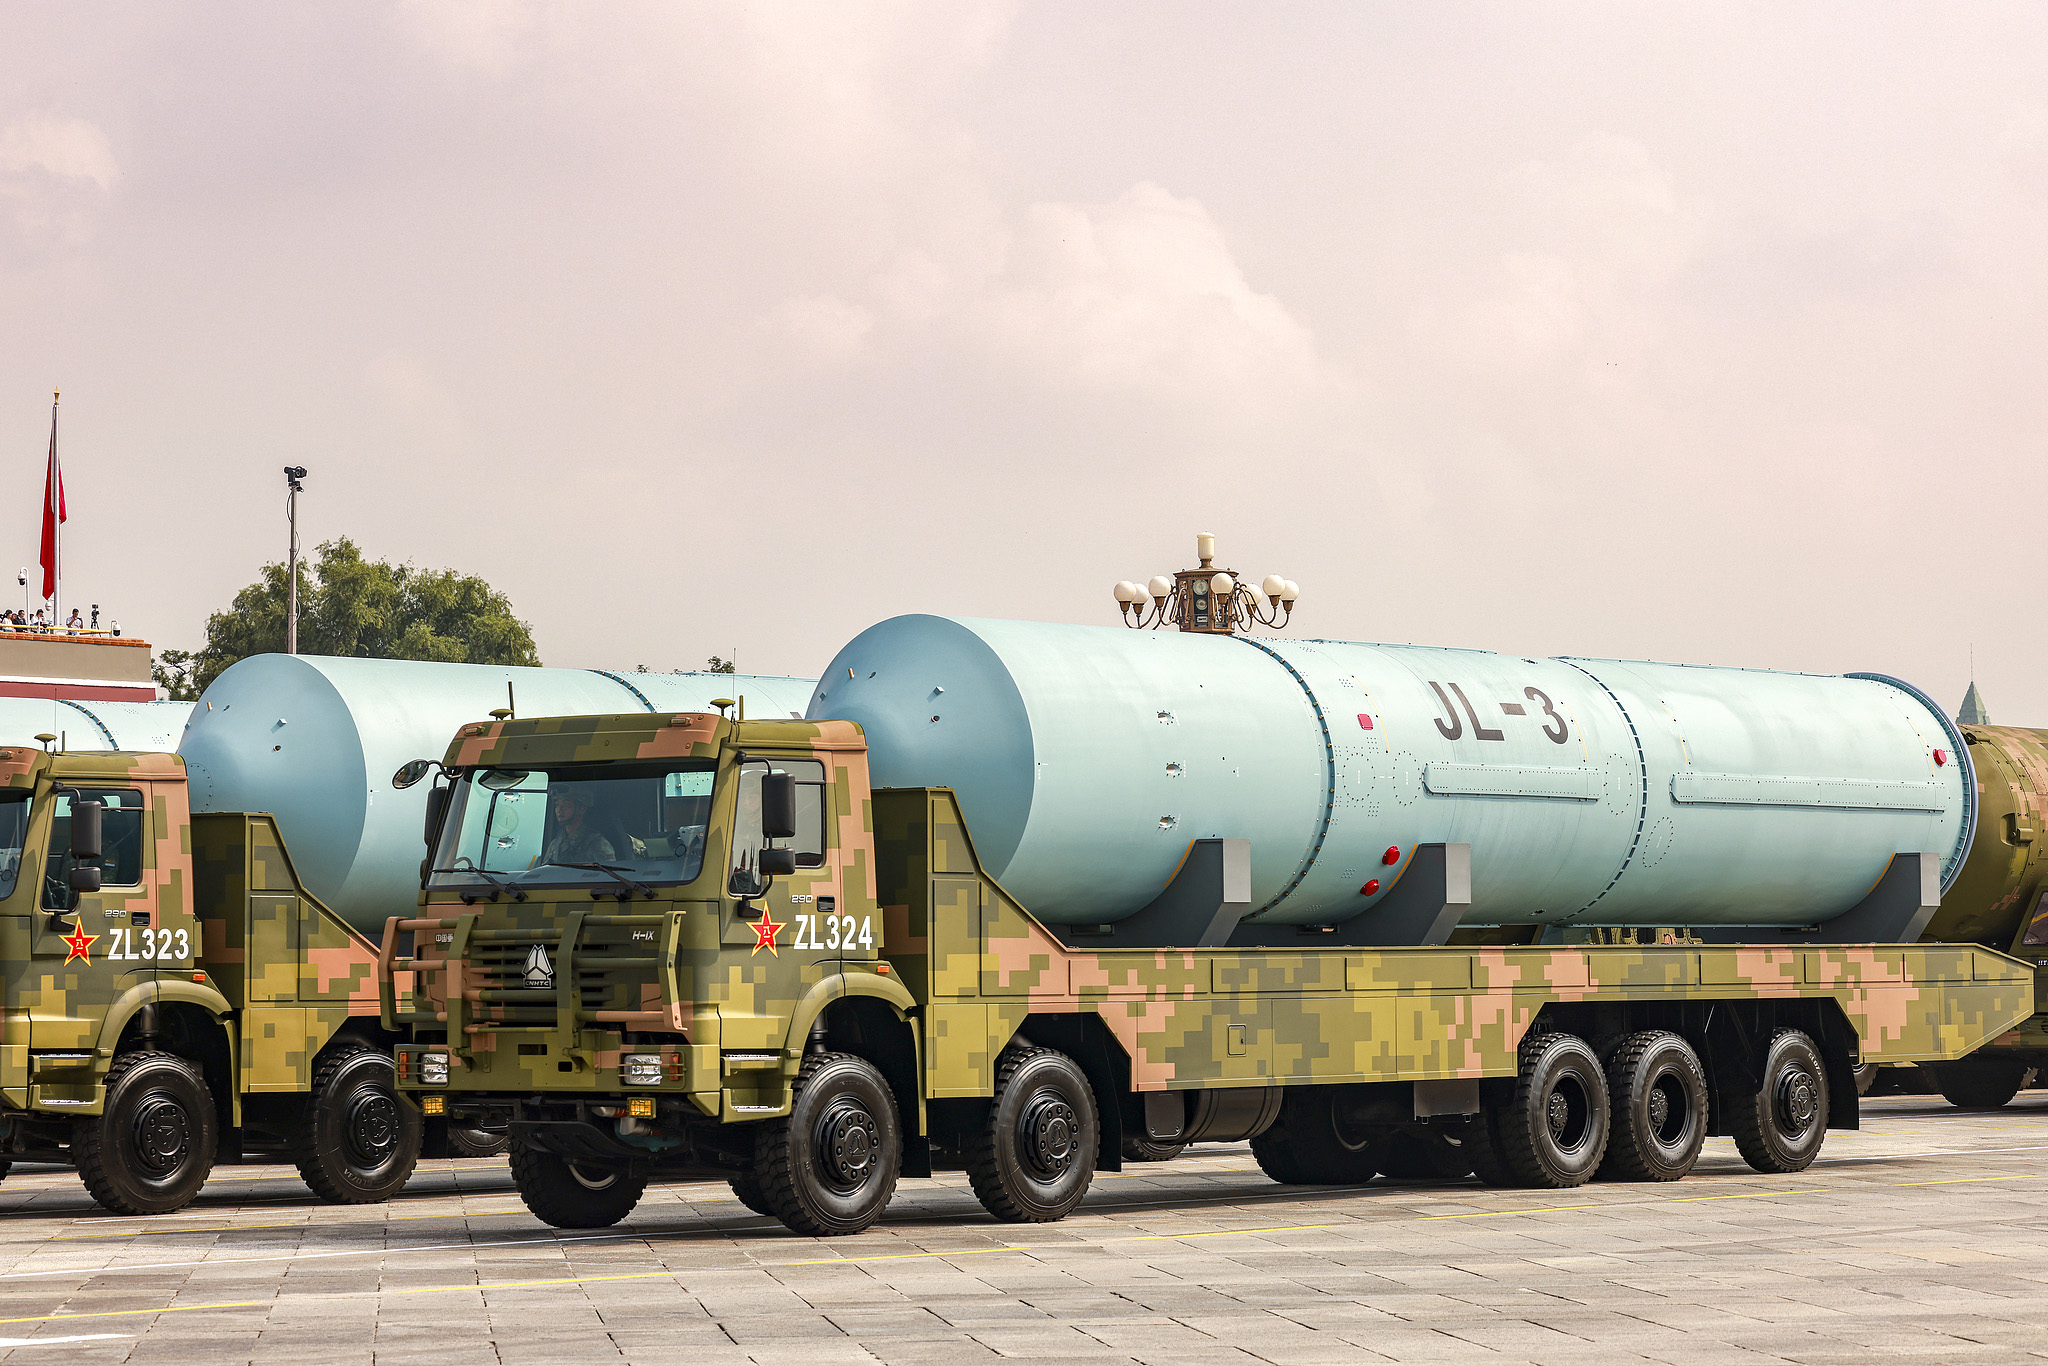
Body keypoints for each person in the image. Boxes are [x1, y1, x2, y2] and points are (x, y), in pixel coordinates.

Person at [540, 787, 616, 866]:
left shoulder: (598, 844)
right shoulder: (555, 845)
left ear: (581, 809)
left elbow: (608, 873)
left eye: (566, 804)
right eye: (557, 804)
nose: (559, 809)